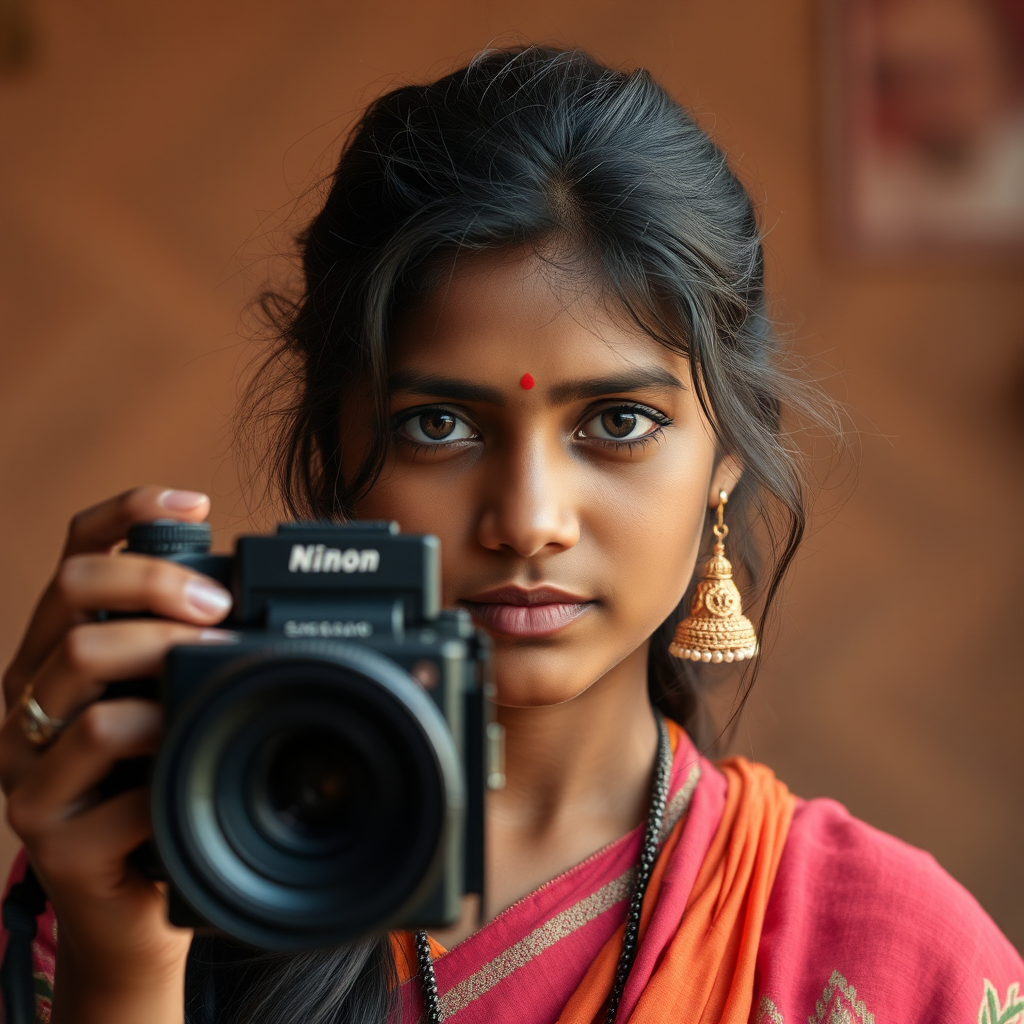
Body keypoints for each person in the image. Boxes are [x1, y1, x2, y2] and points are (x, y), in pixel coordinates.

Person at [0, 46, 1020, 1024]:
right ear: (335, 456)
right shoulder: (166, 848)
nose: (528, 518)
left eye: (617, 422)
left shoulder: (889, 952)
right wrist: (123, 957)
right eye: (436, 425)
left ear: (724, 459)